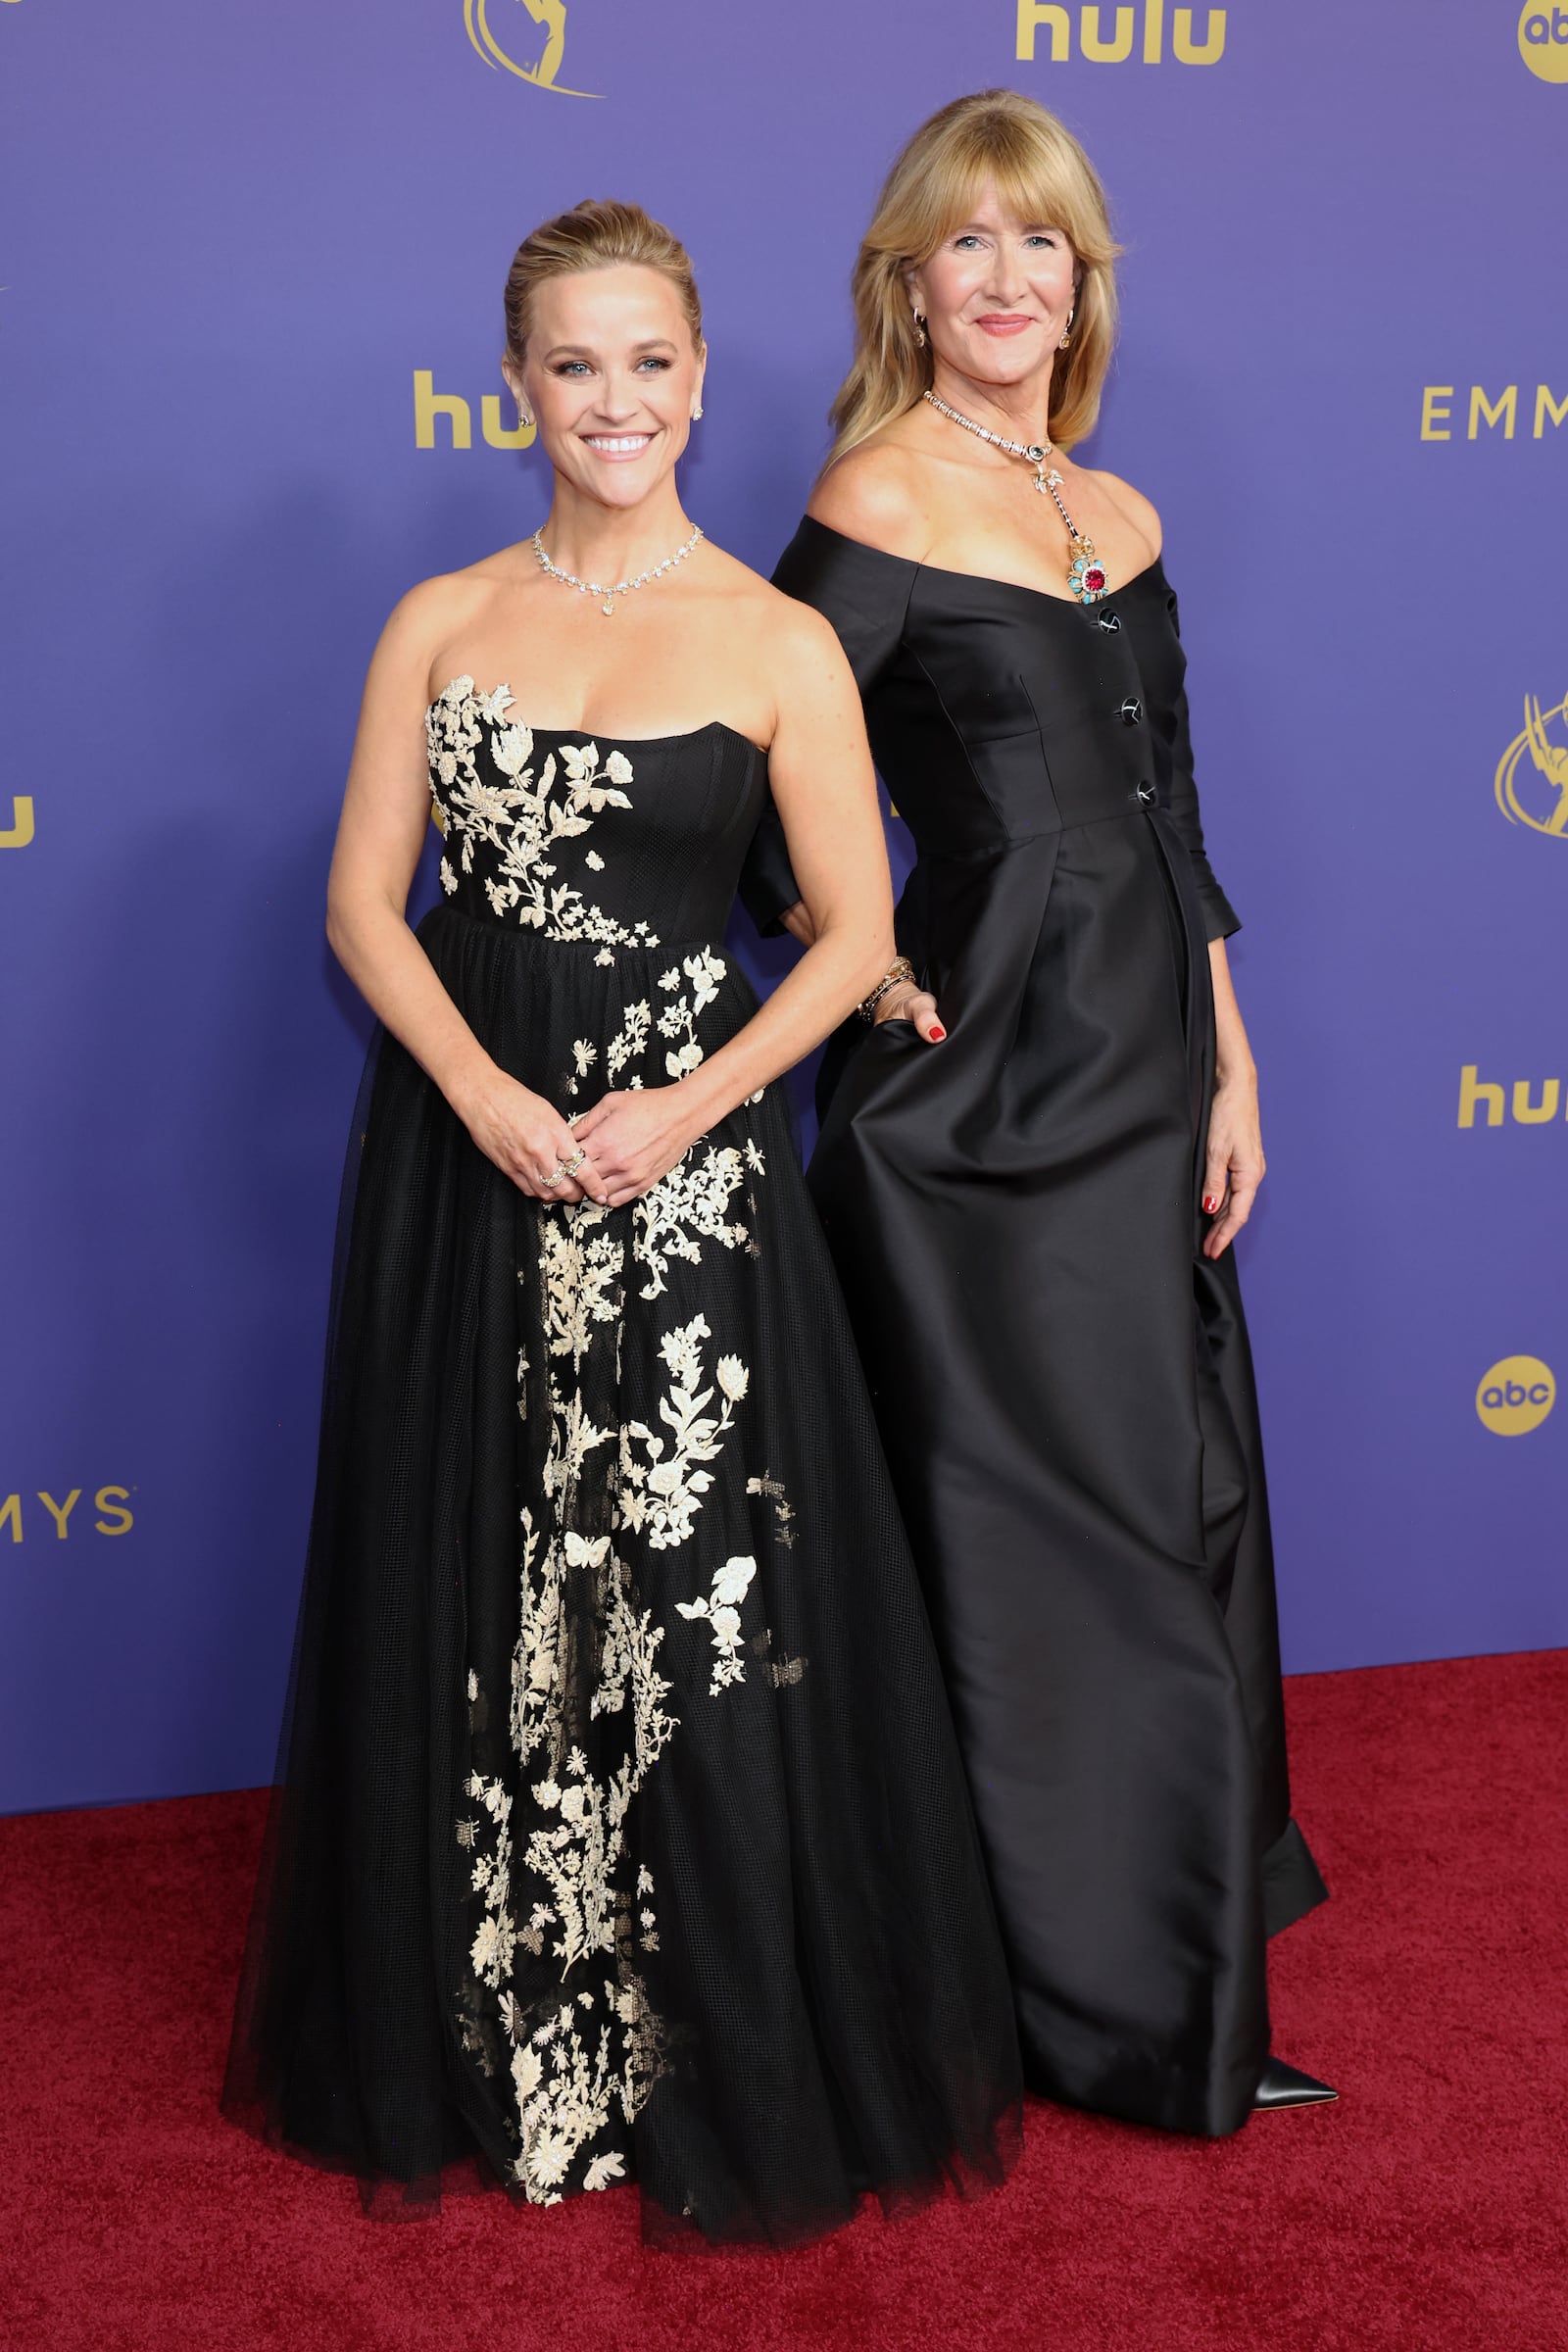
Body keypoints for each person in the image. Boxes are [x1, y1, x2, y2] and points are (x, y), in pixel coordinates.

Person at [224, 199, 1022, 2244]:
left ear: (694, 371)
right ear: (515, 386)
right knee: (476, 1575)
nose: (615, 401)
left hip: (693, 1185)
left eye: (649, 361)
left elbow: (850, 939)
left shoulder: (772, 641)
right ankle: (494, 2046)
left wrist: (683, 1106)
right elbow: (359, 909)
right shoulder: (435, 620)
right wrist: (487, 1100)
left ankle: (698, 2055)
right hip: (468, 1173)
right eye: (573, 364)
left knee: (691, 1613)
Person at [740, 91, 1334, 2135]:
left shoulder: (1122, 511)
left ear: (1082, 282)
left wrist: (1230, 1058)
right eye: (967, 246)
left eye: (1043, 246)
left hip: (1149, 1057)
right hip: (979, 1106)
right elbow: (766, 799)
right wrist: (875, 966)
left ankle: (1165, 1950)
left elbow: (1174, 819)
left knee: (1176, 1501)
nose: (1007, 281)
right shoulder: (873, 499)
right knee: (1039, 1544)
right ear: (906, 282)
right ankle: (1098, 2008)